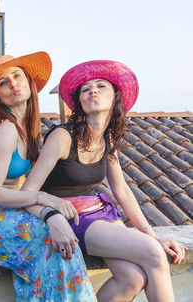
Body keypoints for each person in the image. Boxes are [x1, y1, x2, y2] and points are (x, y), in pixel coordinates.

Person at [22, 60, 187, 301]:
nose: (93, 91)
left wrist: (152, 233)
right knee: (153, 254)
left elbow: (121, 189)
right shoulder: (62, 137)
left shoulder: (107, 137)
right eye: (86, 89)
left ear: (115, 98)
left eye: (101, 86)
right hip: (71, 217)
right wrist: (52, 217)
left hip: (102, 214)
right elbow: (28, 193)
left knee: (132, 279)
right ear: (79, 101)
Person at [0, 53, 96, 301]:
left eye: (17, 75)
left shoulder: (29, 126)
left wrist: (51, 209)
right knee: (50, 241)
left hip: (13, 206)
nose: (13, 83)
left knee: (62, 242)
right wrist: (47, 203)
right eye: (2, 82)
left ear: (28, 81)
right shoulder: (5, 129)